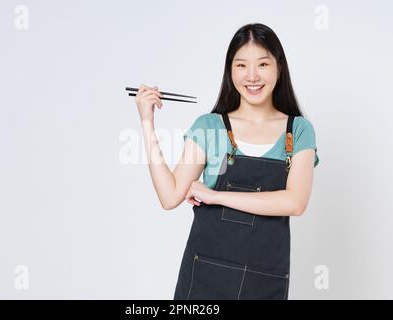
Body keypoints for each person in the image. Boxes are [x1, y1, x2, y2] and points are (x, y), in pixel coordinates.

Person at [134, 23, 319, 300]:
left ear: (279, 67)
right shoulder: (210, 127)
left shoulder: (299, 130)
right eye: (241, 65)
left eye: (263, 64)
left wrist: (216, 196)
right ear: (230, 70)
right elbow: (170, 196)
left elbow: (295, 202)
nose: (252, 76)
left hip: (264, 279)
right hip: (205, 278)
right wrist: (147, 121)